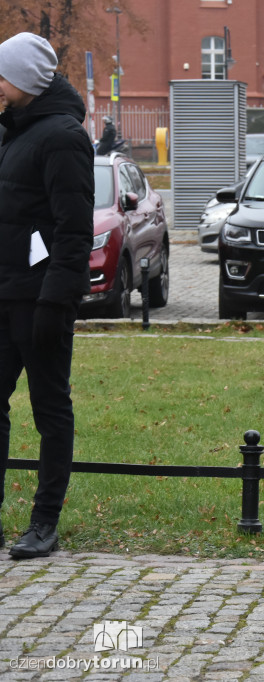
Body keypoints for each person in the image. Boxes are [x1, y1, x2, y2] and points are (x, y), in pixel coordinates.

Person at [0, 33, 94, 559]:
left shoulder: (61, 137)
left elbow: (73, 230)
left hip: (40, 303)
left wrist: (55, 305)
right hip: (4, 294)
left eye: (3, 75)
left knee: (49, 409)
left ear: (27, 82)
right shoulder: (12, 132)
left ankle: (43, 522)